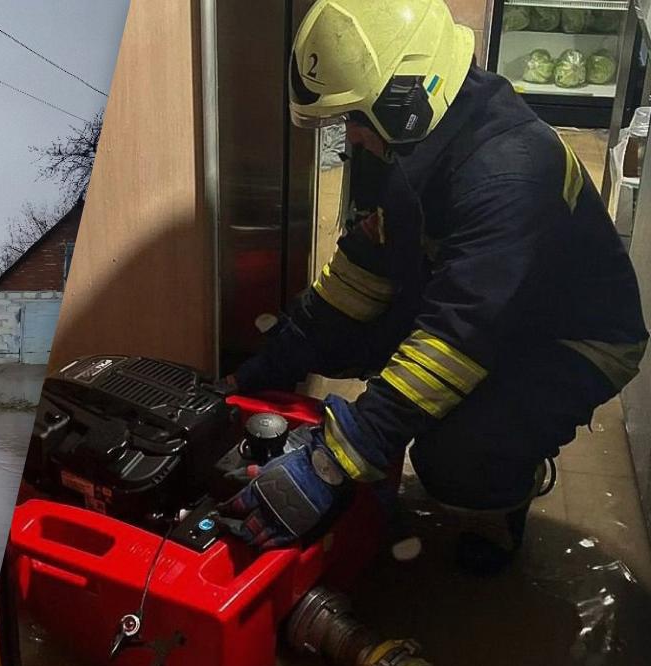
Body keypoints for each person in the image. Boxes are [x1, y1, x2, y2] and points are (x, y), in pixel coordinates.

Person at [218, 0, 648, 575]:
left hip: (571, 336)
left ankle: (503, 492)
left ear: (412, 90)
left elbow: (455, 342)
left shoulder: (512, 171)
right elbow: (356, 276)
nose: (352, 135)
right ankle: (447, 416)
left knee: (452, 456)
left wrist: (334, 463)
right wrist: (256, 373)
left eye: (358, 118)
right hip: (480, 303)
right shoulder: (401, 138)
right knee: (341, 342)